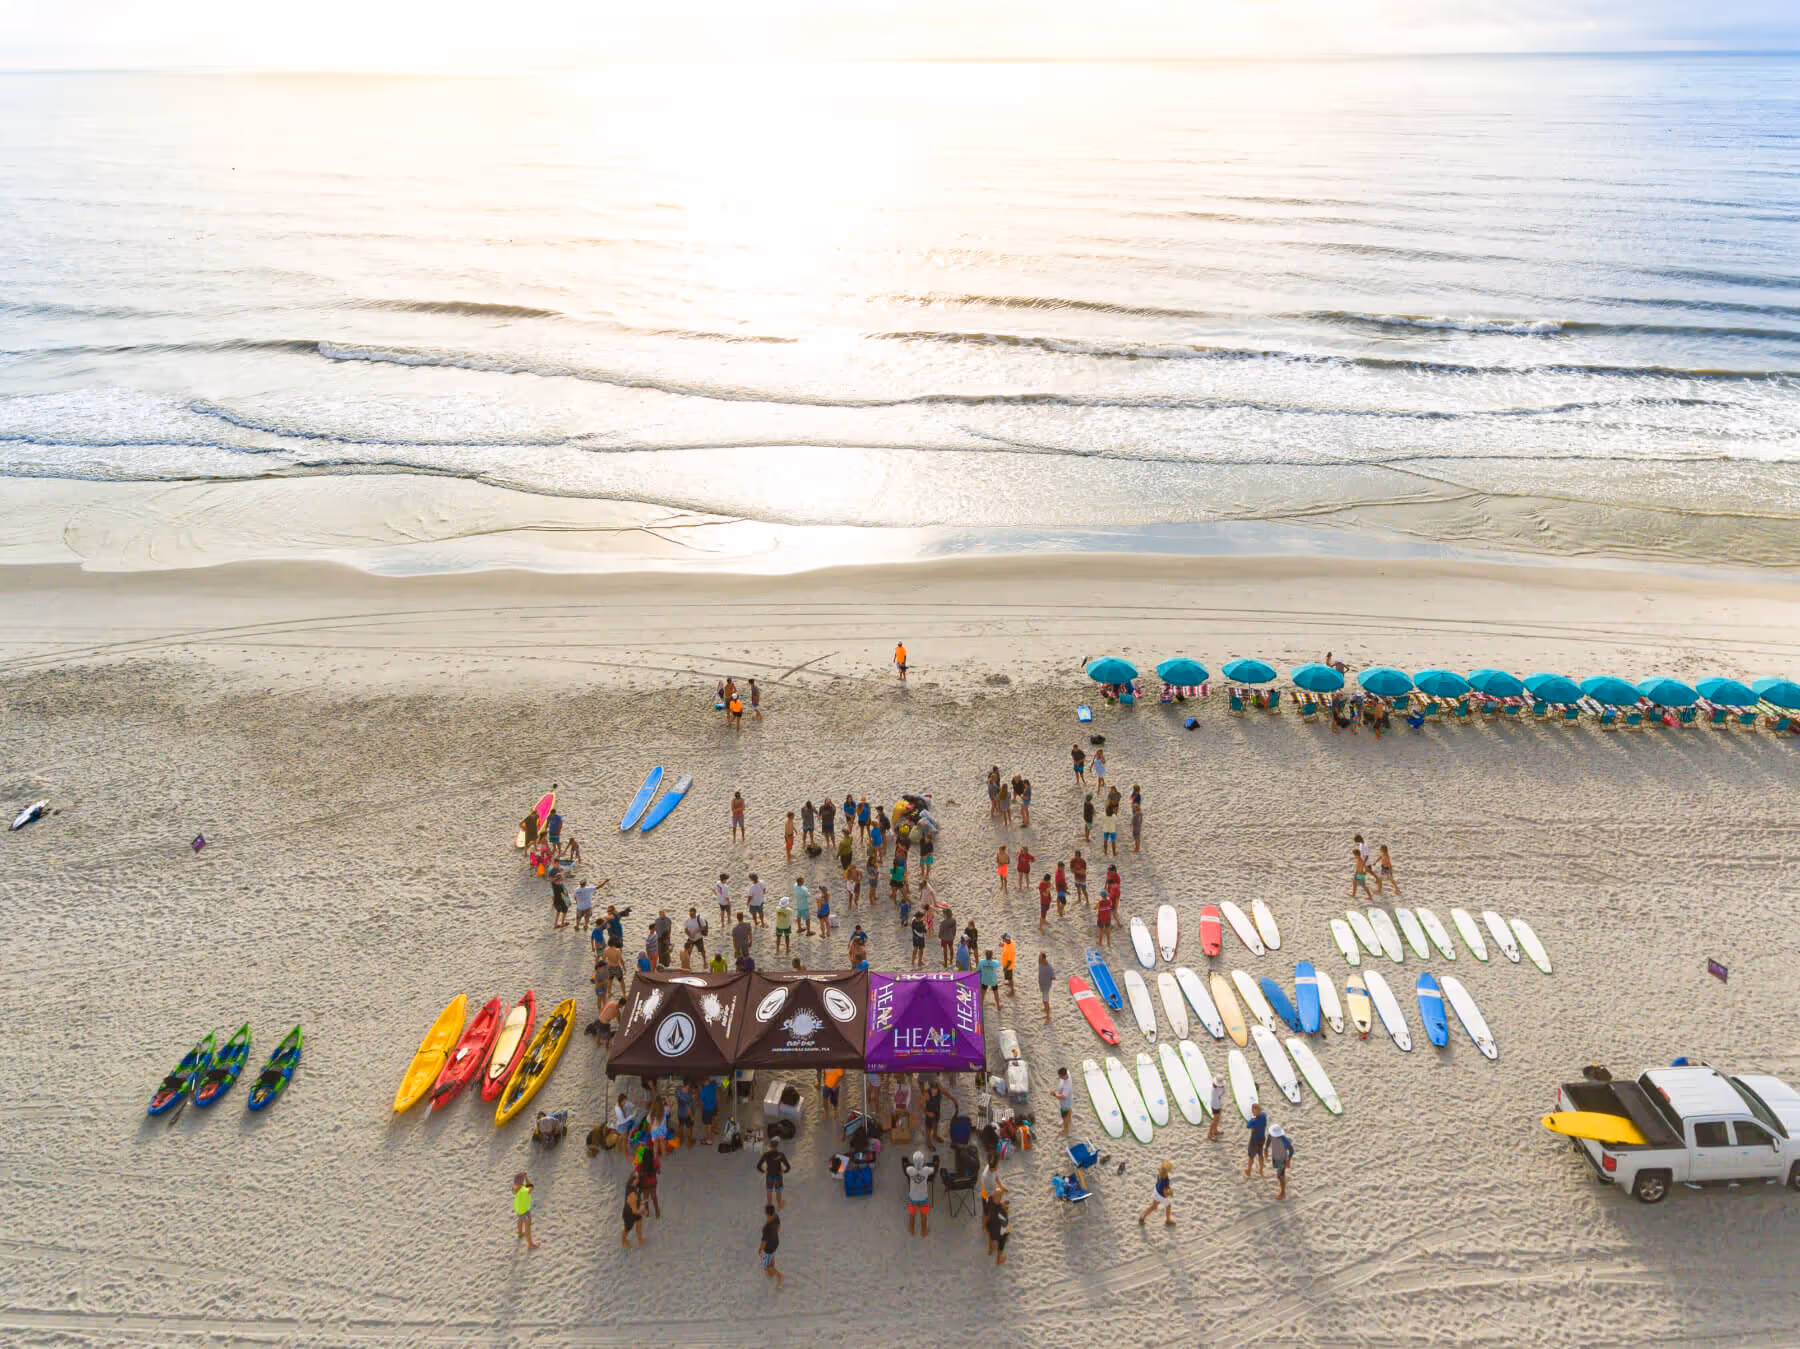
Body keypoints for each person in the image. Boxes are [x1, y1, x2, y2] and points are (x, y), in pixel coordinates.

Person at [904, 1149, 935, 1235]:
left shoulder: (910, 1170)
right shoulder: (926, 1170)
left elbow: (907, 1168)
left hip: (913, 1198)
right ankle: (924, 1231)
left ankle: (912, 1229)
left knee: (912, 1214)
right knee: (924, 1215)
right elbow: (933, 1169)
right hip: (923, 1198)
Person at [758, 1138, 791, 1210]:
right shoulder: (780, 1155)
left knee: (769, 1190)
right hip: (778, 1176)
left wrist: (764, 1171)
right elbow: (788, 1167)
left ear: (770, 1146)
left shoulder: (766, 1155)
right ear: (777, 1146)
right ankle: (779, 1205)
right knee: (778, 1191)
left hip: (769, 1175)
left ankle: (769, 1205)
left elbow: (758, 1166)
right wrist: (784, 1171)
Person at [1140, 1162, 1176, 1226]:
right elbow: (1165, 1193)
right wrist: (1170, 1193)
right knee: (1168, 1206)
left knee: (1153, 1207)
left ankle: (1143, 1217)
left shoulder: (1159, 1173)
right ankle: (1168, 1220)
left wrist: (1168, 1189)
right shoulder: (1165, 1180)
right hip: (1161, 1195)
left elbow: (1161, 1185)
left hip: (1156, 1190)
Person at [513, 1171, 540, 1250]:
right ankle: (530, 1244)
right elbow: (531, 1186)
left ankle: (520, 1233)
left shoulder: (514, 1189)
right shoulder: (524, 1191)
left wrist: (521, 1178)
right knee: (527, 1226)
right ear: (522, 1182)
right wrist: (526, 1177)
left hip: (518, 1209)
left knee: (520, 1220)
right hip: (525, 1210)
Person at [759, 1203, 784, 1287]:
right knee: (772, 1256)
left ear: (766, 1214)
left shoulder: (766, 1227)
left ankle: (779, 1275)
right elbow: (779, 1227)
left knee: (766, 1266)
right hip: (776, 1242)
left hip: (768, 1248)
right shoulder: (776, 1216)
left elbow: (763, 1241)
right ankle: (772, 1269)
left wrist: (760, 1250)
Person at [1269, 1125, 1294, 1199]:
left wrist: (1288, 1160)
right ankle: (1283, 1180)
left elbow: (1291, 1151)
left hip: (1282, 1159)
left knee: (1280, 1175)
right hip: (1275, 1157)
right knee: (1279, 1172)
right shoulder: (1271, 1136)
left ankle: (1283, 1192)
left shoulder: (1284, 1141)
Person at [620, 1176, 646, 1249]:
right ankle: (623, 1241)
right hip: (629, 1214)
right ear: (633, 1181)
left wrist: (641, 1203)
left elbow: (638, 1199)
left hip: (635, 1210)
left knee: (639, 1223)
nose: (639, 1180)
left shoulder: (632, 1187)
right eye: (637, 1179)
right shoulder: (632, 1195)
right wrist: (643, 1211)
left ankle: (640, 1238)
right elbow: (634, 1211)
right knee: (627, 1229)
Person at [984, 1193, 1010, 1265]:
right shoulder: (1003, 1211)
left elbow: (986, 1220)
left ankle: (990, 1249)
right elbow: (1005, 1224)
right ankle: (998, 1260)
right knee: (1005, 1235)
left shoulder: (990, 1206)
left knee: (991, 1229)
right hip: (999, 1235)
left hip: (991, 1232)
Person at [1244, 1102, 1269, 1177]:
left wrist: (1251, 1119)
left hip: (1254, 1140)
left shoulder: (1253, 1121)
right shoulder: (1264, 1115)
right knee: (1260, 1155)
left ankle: (1248, 1170)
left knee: (1251, 1156)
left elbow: (1248, 1126)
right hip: (1262, 1138)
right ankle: (1261, 1170)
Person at [699, 1074, 721, 1144]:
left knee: (708, 1124)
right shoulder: (713, 1085)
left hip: (707, 1109)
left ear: (704, 1081)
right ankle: (716, 1130)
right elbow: (717, 1094)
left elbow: (701, 1101)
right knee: (715, 1117)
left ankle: (709, 1140)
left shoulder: (704, 1090)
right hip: (714, 1106)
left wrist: (702, 1109)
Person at [1054, 1065, 1073, 1132]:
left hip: (1065, 1103)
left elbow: (1063, 1097)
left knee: (1064, 1117)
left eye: (1060, 1076)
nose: (1059, 1077)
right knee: (1069, 1109)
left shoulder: (1066, 1085)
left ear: (1064, 1076)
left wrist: (1054, 1094)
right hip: (1070, 1099)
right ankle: (1069, 1118)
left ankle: (1065, 1129)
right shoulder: (1067, 1072)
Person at [1038, 952, 1055, 1024]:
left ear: (1044, 958)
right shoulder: (1040, 964)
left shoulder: (1049, 968)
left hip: (1046, 986)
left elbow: (1053, 977)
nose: (1039, 959)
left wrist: (1048, 979)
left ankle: (1048, 1017)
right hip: (1042, 985)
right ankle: (1045, 1009)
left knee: (1045, 1001)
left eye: (1040, 957)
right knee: (1044, 1000)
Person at [1207, 1076, 1226, 1140]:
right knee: (1215, 1119)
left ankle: (1215, 1130)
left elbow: (1223, 1093)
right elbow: (1218, 1098)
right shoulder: (1214, 1091)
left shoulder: (1220, 1087)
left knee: (1217, 1119)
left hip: (1218, 1104)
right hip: (1215, 1105)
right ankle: (1210, 1134)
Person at [1130, 785, 1143, 853]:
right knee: (1137, 837)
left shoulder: (1138, 796)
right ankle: (1136, 848)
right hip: (1135, 808)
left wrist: (1132, 825)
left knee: (1137, 837)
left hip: (1136, 827)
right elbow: (1131, 799)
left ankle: (1136, 849)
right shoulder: (1134, 794)